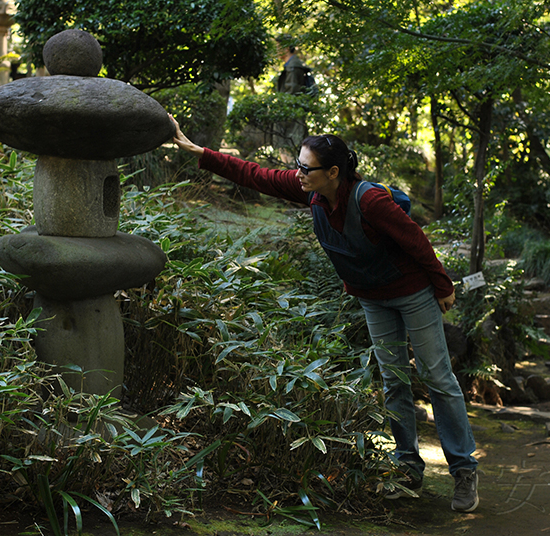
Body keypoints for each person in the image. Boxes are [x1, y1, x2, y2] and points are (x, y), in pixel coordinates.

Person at [168, 115, 479, 513]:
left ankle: (464, 469)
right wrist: (201, 153)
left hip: (412, 292)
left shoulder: (370, 200)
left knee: (437, 376)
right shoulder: (312, 193)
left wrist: (443, 285)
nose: (296, 173)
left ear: (333, 172)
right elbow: (256, 175)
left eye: (305, 167)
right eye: (297, 165)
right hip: (372, 297)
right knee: (393, 379)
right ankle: (407, 466)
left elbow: (415, 239)